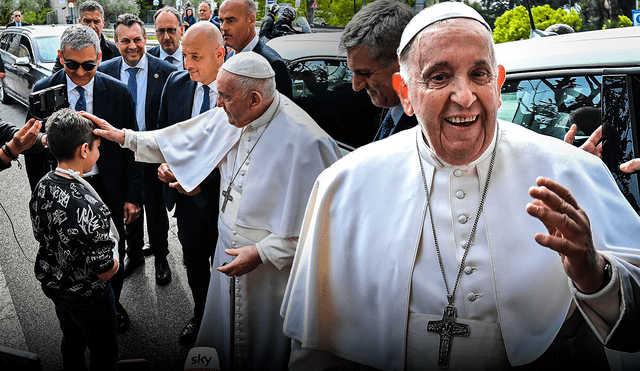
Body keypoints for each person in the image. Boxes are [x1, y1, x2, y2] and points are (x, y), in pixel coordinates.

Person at [281, 2, 640, 370]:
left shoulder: (571, 172)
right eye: (439, 77)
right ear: (405, 92)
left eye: (479, 74)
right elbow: (314, 348)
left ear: (498, 85)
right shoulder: (345, 185)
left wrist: (595, 274)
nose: (465, 96)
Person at [89, 52, 342, 371]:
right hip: (229, 258)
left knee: (262, 350)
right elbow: (177, 140)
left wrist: (262, 252)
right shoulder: (236, 113)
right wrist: (124, 137)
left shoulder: (307, 144)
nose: (217, 103)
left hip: (270, 277)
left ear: (253, 98)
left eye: (224, 96)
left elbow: (323, 233)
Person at [26, 24, 142, 334]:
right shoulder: (42, 92)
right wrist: (39, 196)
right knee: (68, 257)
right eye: (72, 64)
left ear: (100, 57)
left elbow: (130, 147)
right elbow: (32, 152)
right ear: (61, 57)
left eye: (89, 65)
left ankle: (110, 303)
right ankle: (73, 312)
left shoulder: (117, 92)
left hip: (108, 187)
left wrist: (133, 195)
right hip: (61, 189)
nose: (80, 72)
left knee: (114, 251)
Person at [30, 108, 119, 371]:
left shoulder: (43, 183)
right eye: (97, 147)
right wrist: (115, 260)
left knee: (72, 341)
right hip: (88, 296)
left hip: (56, 286)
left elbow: (39, 232)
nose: (98, 153)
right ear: (84, 150)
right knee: (104, 352)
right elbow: (104, 271)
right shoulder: (90, 206)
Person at [153, 21, 225, 346]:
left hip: (226, 202)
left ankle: (226, 324)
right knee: (195, 265)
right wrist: (166, 165)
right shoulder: (176, 83)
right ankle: (200, 316)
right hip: (187, 204)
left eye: (195, 56)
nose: (187, 65)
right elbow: (162, 134)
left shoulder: (234, 90)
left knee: (227, 269)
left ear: (219, 55)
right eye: (184, 55)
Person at [98, 13, 177, 285]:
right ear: (115, 41)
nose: (132, 46)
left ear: (146, 39)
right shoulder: (104, 71)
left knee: (155, 209)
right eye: (125, 41)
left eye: (137, 40)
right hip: (120, 156)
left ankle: (161, 255)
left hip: (152, 153)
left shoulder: (166, 72)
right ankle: (134, 253)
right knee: (127, 207)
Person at [339, 0, 417, 141]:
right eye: (353, 72)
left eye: (365, 73)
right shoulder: (393, 105)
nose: (356, 86)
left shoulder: (430, 133)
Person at [219, 0, 293, 99]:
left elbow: (284, 110)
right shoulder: (229, 57)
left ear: (251, 20)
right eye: (221, 21)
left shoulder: (272, 64)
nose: (223, 27)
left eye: (231, 20)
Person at [52, 1, 120, 73]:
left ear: (103, 23)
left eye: (96, 21)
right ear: (79, 22)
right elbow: (56, 80)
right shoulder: (67, 51)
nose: (92, 26)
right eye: (87, 21)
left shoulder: (116, 51)